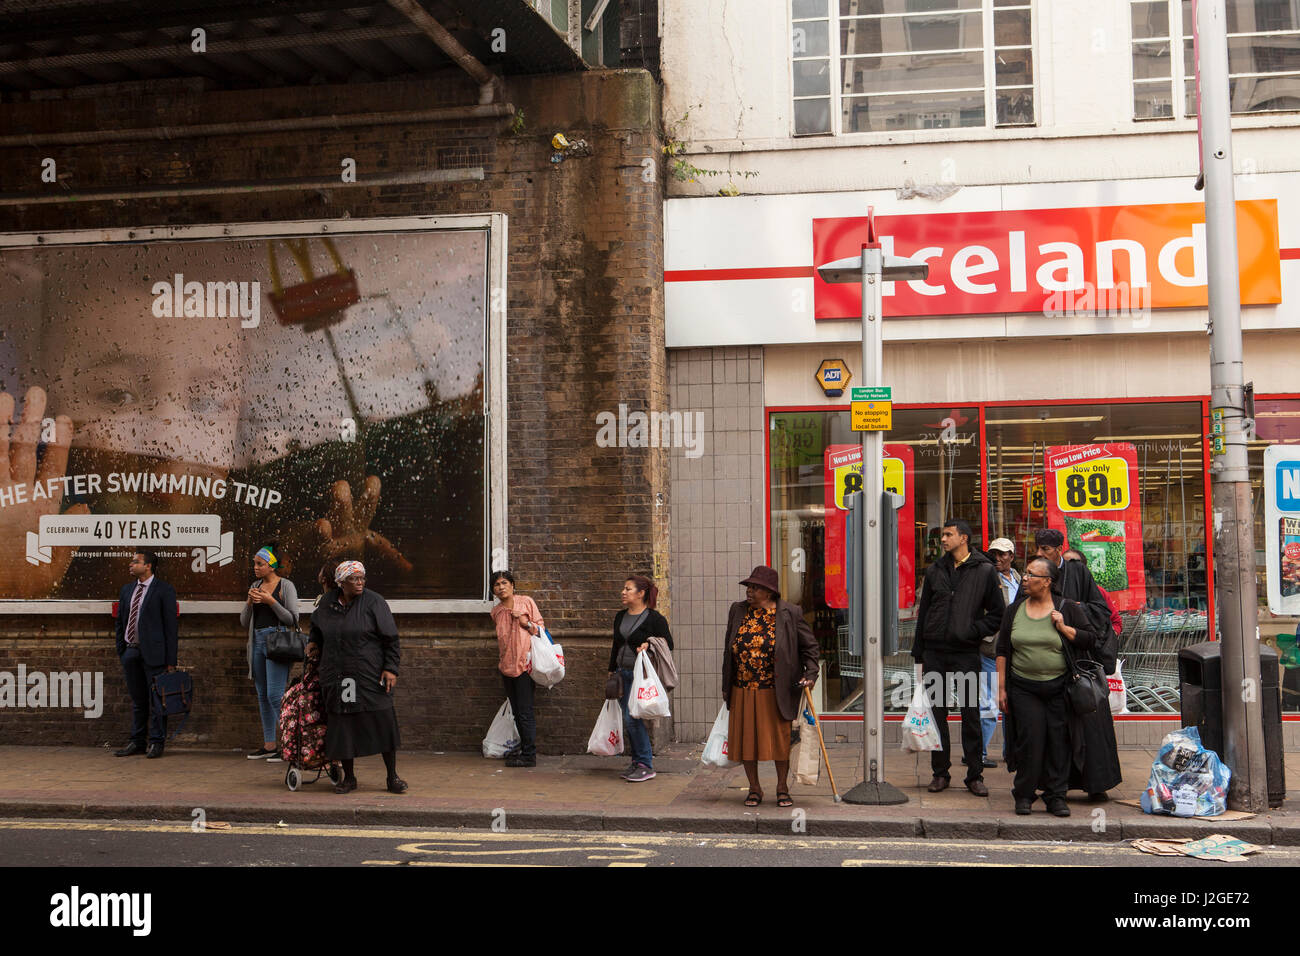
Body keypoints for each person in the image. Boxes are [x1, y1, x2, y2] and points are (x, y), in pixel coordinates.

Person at [995, 556, 1099, 816]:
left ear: (1048, 582)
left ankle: (1056, 796)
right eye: (1026, 573)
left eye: (1032, 575)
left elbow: (1090, 639)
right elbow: (1002, 650)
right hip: (1023, 687)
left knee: (1058, 742)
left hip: (1059, 686)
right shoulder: (1014, 610)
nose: (1026, 579)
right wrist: (1001, 689)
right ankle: (1024, 795)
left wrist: (1063, 627)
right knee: (1030, 740)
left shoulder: (1067, 608)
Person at [911, 520, 1005, 796]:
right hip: (936, 653)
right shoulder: (935, 570)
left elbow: (998, 614)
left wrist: (974, 632)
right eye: (943, 535)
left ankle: (974, 775)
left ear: (964, 538)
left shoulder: (985, 570)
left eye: (948, 535)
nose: (943, 539)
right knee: (937, 714)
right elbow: (924, 613)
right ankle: (940, 773)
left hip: (965, 653)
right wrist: (919, 653)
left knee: (970, 714)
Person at [722, 565, 819, 808]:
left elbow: (810, 647)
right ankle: (754, 788)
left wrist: (811, 673)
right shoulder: (738, 610)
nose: (750, 591)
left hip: (775, 689)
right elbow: (728, 648)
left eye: (755, 588)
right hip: (742, 688)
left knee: (779, 741)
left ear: (769, 591)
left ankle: (782, 787)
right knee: (747, 742)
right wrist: (726, 684)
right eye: (749, 587)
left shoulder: (790, 613)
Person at [304, 561, 405, 794]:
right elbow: (317, 627)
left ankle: (392, 777)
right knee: (342, 724)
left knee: (383, 721)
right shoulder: (328, 602)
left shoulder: (374, 602)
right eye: (354, 579)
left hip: (368, 674)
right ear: (341, 582)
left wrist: (391, 668)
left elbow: (391, 638)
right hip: (337, 675)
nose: (360, 582)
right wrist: (313, 642)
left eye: (362, 578)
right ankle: (349, 778)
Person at [1036, 530, 1123, 799]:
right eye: (1038, 548)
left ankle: (1095, 785)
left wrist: (1073, 609)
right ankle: (1055, 785)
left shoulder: (1079, 573)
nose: (1040, 554)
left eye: (1046, 549)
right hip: (1047, 664)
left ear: (1059, 549)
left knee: (1090, 727)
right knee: (1053, 730)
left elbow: (1101, 613)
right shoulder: (1035, 574)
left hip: (1080, 664)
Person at [113, 551, 179, 759]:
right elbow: (121, 621)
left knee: (158, 700)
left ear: (148, 566)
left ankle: (157, 742)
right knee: (138, 700)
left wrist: (171, 661)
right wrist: (122, 649)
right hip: (131, 651)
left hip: (155, 654)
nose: (131, 564)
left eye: (136, 562)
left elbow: (171, 627)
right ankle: (137, 741)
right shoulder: (127, 590)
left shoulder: (164, 590)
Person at [608, 574, 673, 782]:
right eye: (624, 589)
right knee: (630, 720)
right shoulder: (620, 616)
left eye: (628, 589)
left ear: (641, 593)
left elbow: (668, 643)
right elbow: (616, 645)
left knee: (633, 718)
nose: (623, 592)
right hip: (622, 674)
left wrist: (649, 643)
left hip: (640, 677)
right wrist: (611, 670)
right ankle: (637, 762)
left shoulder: (655, 619)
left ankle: (645, 764)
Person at [239, 545, 300, 760]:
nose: (255, 568)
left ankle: (289, 744)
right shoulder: (255, 585)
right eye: (254, 564)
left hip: (277, 641)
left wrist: (270, 601)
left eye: (260, 564)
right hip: (257, 641)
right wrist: (249, 601)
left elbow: (292, 619)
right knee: (263, 696)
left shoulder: (286, 586)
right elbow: (244, 622)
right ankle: (269, 744)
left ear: (271, 565)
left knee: (275, 695)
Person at [489, 569, 545, 768]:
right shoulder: (495, 612)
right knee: (516, 710)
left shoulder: (526, 602)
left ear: (512, 586)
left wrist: (525, 622)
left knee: (525, 711)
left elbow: (541, 630)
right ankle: (523, 749)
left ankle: (530, 754)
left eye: (504, 583)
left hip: (524, 666)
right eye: (497, 585)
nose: (501, 587)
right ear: (493, 591)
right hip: (506, 667)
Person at [981, 537, 1021, 768]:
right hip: (992, 648)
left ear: (1011, 556)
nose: (998, 558)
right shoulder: (987, 578)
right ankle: (978, 752)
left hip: (1014, 649)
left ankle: (1010, 751)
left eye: (1003, 554)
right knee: (989, 702)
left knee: (1010, 703)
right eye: (994, 553)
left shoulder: (1017, 577)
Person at [1065, 548, 1123, 636]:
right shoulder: (1053, 591)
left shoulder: (1099, 591)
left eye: (1073, 564)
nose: (1067, 568)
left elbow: (1116, 622)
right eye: (1063, 564)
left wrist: (1107, 640)